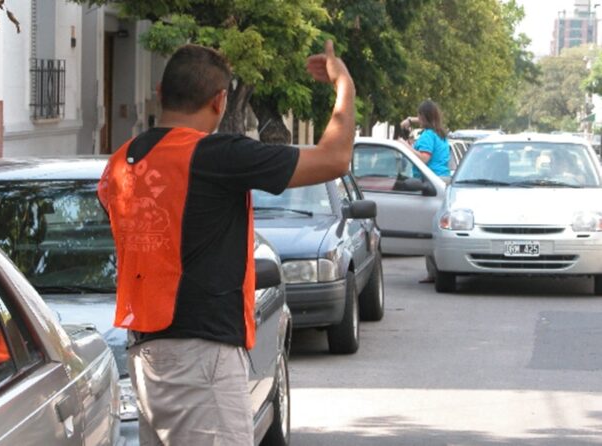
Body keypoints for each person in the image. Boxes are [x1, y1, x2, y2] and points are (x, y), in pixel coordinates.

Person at [97, 40, 356, 445]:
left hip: (145, 356)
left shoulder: (120, 162)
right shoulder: (216, 155)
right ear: (220, 101)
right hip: (202, 359)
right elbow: (334, 158)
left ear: (162, 93)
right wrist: (345, 87)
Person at [399, 100, 451, 284]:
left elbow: (424, 158)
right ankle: (436, 270)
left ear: (424, 117)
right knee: (437, 226)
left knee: (429, 228)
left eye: (419, 115)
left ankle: (434, 272)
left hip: (430, 182)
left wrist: (405, 147)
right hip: (443, 180)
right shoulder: (441, 134)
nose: (417, 118)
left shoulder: (428, 135)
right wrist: (410, 120)